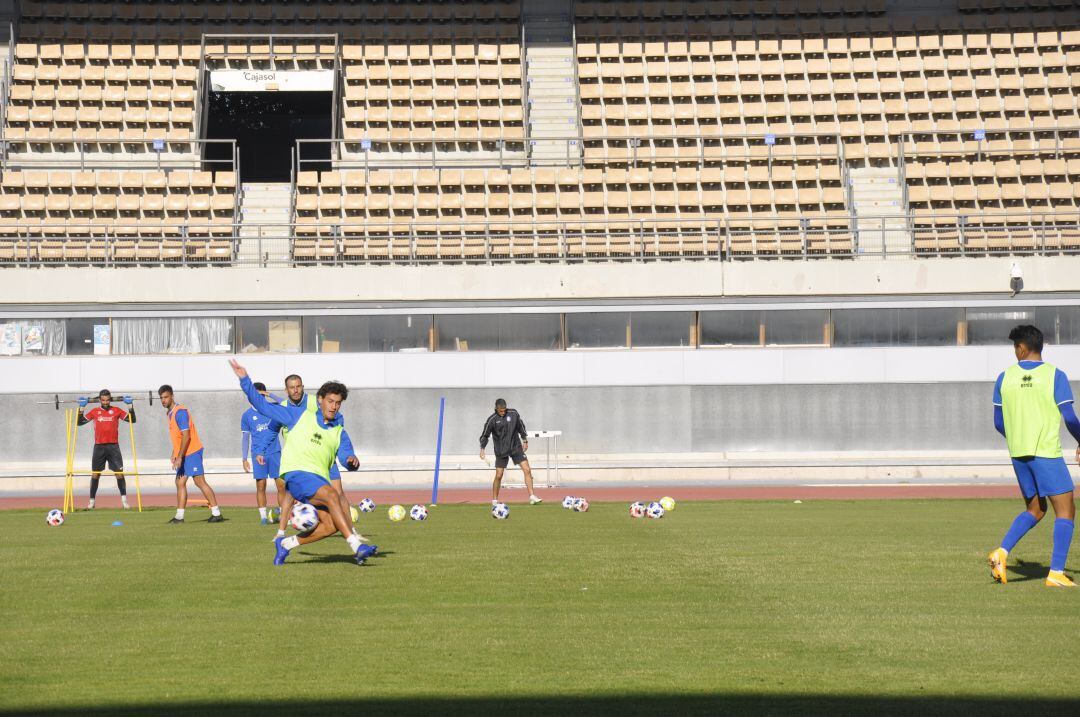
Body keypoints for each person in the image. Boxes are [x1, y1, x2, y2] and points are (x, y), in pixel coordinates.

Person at [229, 360, 376, 566]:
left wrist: (352, 462)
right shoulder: (297, 416)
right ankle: (356, 546)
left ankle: (286, 544)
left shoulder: (339, 432)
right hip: (297, 475)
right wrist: (245, 379)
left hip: (318, 478)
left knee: (330, 526)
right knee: (332, 494)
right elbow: (262, 405)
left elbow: (346, 457)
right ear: (320, 400)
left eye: (338, 403)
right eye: (330, 401)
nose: (334, 406)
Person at [988, 325, 1077, 587]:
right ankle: (1056, 573)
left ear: (1022, 347)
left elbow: (998, 422)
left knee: (1036, 509)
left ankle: (1000, 553)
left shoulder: (1004, 378)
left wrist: (1018, 438)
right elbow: (1069, 417)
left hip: (1019, 454)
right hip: (1046, 452)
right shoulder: (1055, 375)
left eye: (1014, 346)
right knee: (1067, 511)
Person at [271, 373, 350, 539]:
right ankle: (281, 532)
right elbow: (272, 430)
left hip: (323, 456)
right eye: (292, 387)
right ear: (286, 390)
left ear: (303, 386)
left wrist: (333, 439)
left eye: (298, 386)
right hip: (298, 459)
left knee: (338, 493)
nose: (296, 390)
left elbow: (337, 419)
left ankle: (350, 531)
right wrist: (266, 451)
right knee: (288, 495)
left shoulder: (316, 401)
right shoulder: (284, 407)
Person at [158, 384, 224, 524]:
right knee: (179, 482)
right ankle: (179, 517)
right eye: (161, 398)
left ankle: (216, 513)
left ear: (172, 396)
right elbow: (178, 437)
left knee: (199, 482)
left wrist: (180, 456)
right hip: (183, 453)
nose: (163, 400)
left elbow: (186, 436)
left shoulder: (180, 412)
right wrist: (174, 453)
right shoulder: (170, 413)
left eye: (166, 397)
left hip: (192, 452)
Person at [77, 389, 136, 509]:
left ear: (110, 399)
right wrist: (81, 408)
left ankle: (124, 502)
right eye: (103, 400)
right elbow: (79, 422)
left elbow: (132, 420)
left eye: (107, 400)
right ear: (100, 400)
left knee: (119, 474)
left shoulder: (116, 410)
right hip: (99, 447)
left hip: (113, 446)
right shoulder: (94, 411)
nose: (105, 402)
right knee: (95, 475)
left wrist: (130, 405)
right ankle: (92, 502)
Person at [479, 398, 542, 506]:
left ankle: (532, 496)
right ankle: (494, 501)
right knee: (499, 475)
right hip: (501, 450)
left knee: (527, 469)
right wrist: (482, 449)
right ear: (496, 409)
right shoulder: (492, 420)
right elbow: (485, 435)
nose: (503, 412)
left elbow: (521, 426)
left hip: (515, 447)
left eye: (504, 410)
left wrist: (525, 440)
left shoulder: (513, 413)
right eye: (500, 411)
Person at [240, 382, 284, 525]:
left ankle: (284, 514)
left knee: (281, 485)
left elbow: (285, 404)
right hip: (258, 454)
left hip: (275, 452)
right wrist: (244, 458)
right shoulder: (246, 416)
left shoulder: (272, 408)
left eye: (260, 394)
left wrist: (269, 394)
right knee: (261, 485)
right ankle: (263, 517)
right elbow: (246, 437)